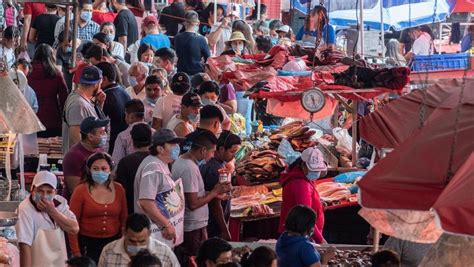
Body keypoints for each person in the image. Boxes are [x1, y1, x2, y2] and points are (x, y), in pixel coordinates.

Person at [172, 130, 231, 260]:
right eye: (211, 152)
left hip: (193, 224)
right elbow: (193, 203)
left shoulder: (183, 161)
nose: (211, 156)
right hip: (193, 226)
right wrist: (215, 192)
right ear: (203, 150)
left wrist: (214, 194)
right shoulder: (189, 168)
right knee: (196, 260)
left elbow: (193, 193)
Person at [68, 152, 128, 263]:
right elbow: (72, 222)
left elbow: (124, 219)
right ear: (89, 170)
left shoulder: (119, 189)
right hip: (87, 244)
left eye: (104, 168)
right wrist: (76, 252)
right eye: (95, 169)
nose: (100, 172)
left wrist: (123, 243)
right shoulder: (80, 190)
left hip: (113, 243)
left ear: (110, 169)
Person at [17, 171, 79, 267]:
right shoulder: (25, 209)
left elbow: (74, 229)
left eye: (49, 192)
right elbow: (24, 246)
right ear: (32, 190)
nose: (44, 196)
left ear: (55, 192)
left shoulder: (60, 203)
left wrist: (52, 211)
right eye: (40, 191)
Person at [134, 129, 184, 244]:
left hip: (160, 232)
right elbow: (146, 202)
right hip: (155, 232)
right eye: (172, 144)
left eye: (177, 144)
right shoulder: (153, 167)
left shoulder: (161, 163)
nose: (177, 147)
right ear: (160, 148)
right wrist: (166, 224)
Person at [278, 147, 327, 244]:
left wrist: (318, 204)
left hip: (304, 233)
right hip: (302, 235)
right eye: (313, 170)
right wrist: (321, 241)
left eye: (318, 170)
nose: (316, 173)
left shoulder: (301, 176)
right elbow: (306, 219)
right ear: (304, 165)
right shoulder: (301, 185)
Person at [200, 131, 241, 240]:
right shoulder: (214, 169)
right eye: (232, 151)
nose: (234, 155)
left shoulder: (220, 163)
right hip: (213, 224)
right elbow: (215, 203)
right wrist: (224, 229)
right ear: (222, 149)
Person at [98, 213, 180, 266]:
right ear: (124, 232)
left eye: (142, 241)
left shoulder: (165, 252)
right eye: (132, 241)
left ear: (149, 233)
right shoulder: (108, 251)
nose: (137, 246)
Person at [62, 65, 106, 153]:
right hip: (82, 161)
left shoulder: (82, 99)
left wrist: (99, 104)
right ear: (96, 84)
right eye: (100, 84)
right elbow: (76, 138)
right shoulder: (79, 105)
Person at [63, 116, 109, 199]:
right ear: (90, 136)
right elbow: (74, 189)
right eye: (102, 133)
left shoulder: (100, 150)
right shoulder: (73, 156)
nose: (105, 135)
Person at [28, 44, 69, 137]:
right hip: (52, 118)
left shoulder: (27, 72)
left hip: (31, 117)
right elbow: (64, 98)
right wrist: (66, 117)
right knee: (52, 149)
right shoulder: (56, 73)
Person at [116, 123, 152, 214]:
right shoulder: (159, 160)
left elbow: (121, 191)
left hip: (132, 211)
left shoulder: (125, 162)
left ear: (132, 141)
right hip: (155, 212)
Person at [96, 61, 131, 154]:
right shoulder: (123, 91)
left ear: (104, 79)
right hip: (125, 143)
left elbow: (100, 123)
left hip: (112, 146)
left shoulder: (105, 97)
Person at [174, 11, 211, 76]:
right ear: (198, 23)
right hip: (196, 74)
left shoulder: (177, 37)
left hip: (181, 73)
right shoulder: (201, 39)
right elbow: (208, 58)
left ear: (184, 23)